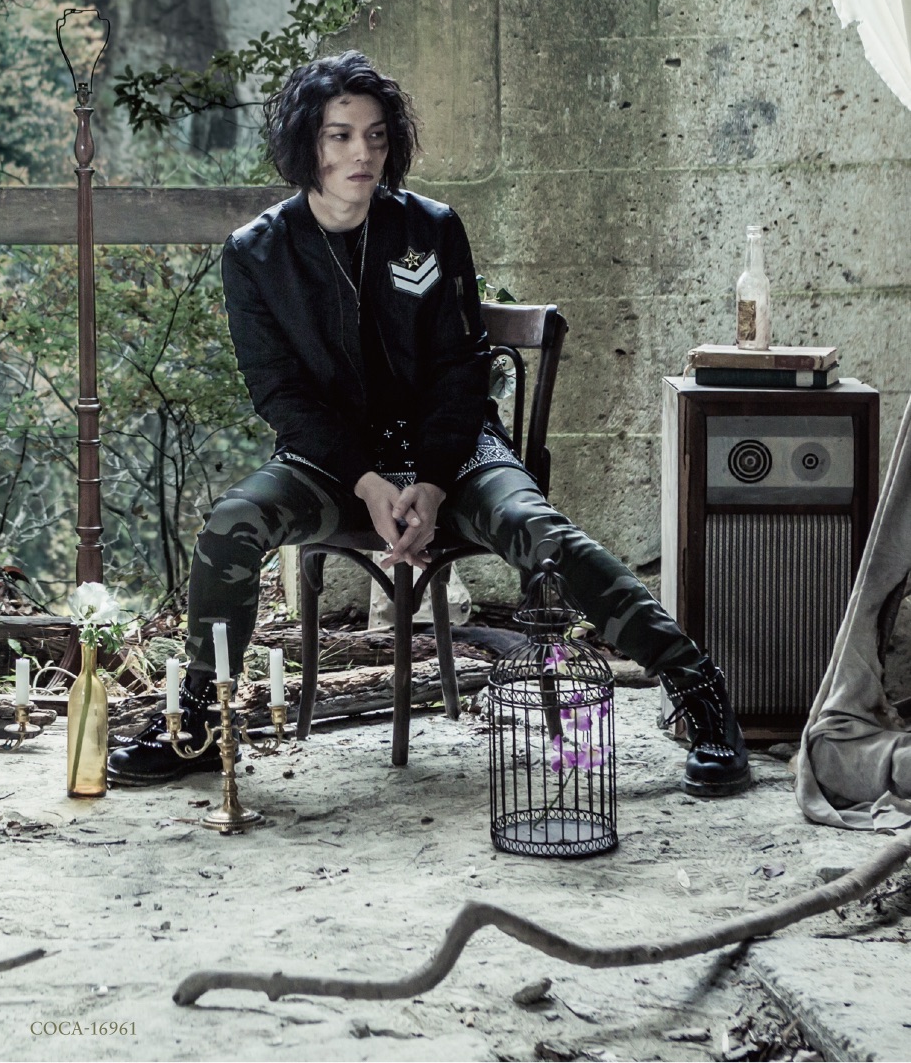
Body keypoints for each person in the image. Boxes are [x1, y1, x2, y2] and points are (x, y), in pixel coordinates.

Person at [108, 52, 750, 799]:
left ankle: (697, 688)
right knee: (232, 521)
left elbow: (462, 366)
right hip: (335, 466)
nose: (362, 153)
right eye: (341, 136)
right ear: (306, 143)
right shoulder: (257, 253)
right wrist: (367, 480)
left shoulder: (431, 228)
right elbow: (279, 392)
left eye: (376, 136)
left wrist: (437, 481)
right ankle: (196, 718)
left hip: (457, 454)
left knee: (539, 530)